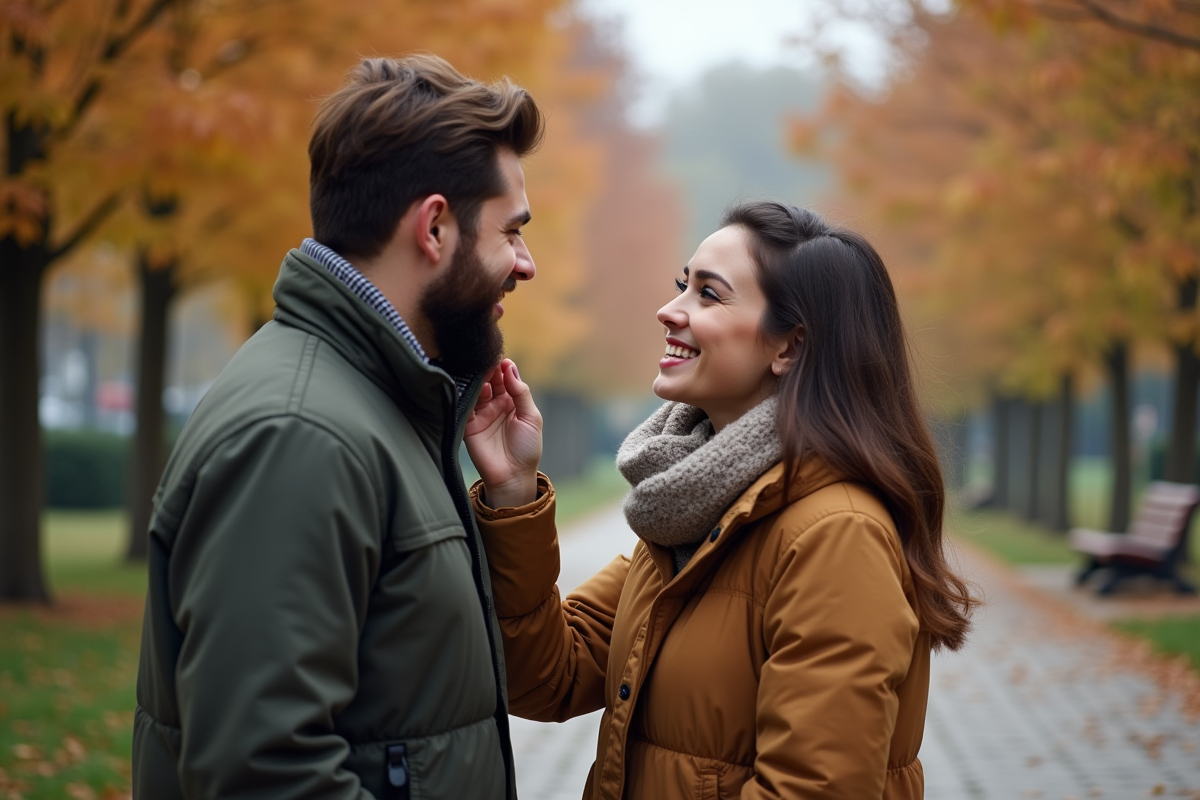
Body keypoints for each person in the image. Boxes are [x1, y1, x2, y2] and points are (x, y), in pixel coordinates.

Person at [465, 201, 979, 799]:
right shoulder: (694, 506)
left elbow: (812, 790)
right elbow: (548, 677)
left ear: (789, 346)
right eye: (683, 285)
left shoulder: (836, 533)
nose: (669, 309)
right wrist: (512, 493)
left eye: (708, 295)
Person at [133, 54, 543, 800]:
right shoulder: (301, 436)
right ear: (435, 227)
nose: (527, 264)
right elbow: (262, 775)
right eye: (512, 233)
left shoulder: (379, 402)